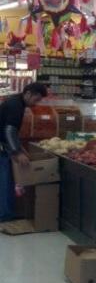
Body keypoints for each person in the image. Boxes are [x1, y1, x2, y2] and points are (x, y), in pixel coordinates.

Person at [0, 82, 48, 221]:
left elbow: (10, 130)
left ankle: (6, 213)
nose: (36, 104)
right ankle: (5, 215)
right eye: (36, 99)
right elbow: (9, 130)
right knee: (5, 180)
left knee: (6, 180)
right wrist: (17, 152)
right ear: (28, 93)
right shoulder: (16, 105)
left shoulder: (16, 102)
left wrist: (20, 147)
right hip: (2, 147)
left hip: (3, 144)